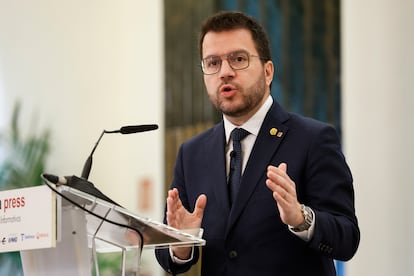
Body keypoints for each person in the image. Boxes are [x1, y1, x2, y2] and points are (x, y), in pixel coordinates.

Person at [155, 10, 360, 276]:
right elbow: (168, 254)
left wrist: (301, 219)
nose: (225, 72)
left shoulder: (314, 139)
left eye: (238, 59)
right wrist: (181, 244)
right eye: (212, 62)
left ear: (268, 71)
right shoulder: (191, 153)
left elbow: (347, 238)